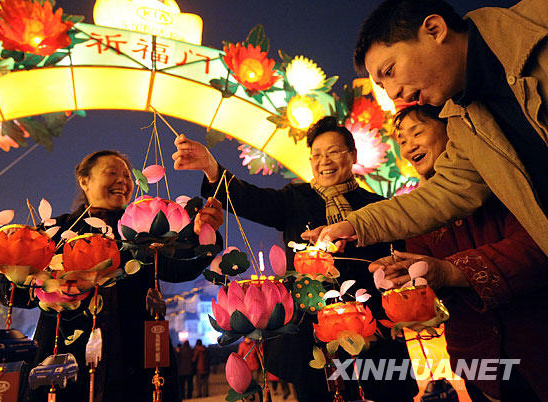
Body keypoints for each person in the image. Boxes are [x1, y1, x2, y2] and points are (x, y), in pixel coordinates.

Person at [173, 117, 419, 401]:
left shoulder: (379, 208)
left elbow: (397, 270)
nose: (323, 160)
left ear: (352, 155)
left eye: (333, 152)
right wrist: (210, 167)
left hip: (373, 336)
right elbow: (249, 198)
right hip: (311, 340)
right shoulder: (295, 199)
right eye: (316, 154)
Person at [303, 0, 548, 256]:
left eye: (390, 70)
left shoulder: (538, 26)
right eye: (382, 85)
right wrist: (356, 224)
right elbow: (445, 192)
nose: (393, 92)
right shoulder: (465, 121)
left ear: (434, 29)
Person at [0, 150, 224, 402]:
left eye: (126, 175)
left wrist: (203, 234)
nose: (122, 181)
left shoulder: (143, 233)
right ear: (84, 181)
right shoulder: (55, 233)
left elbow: (180, 269)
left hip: (135, 360)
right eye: (111, 173)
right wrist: (16, 270)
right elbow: (11, 293)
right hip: (64, 363)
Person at [368, 105, 548, 401]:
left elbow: (534, 249)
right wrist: (409, 300)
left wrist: (449, 271)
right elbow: (433, 296)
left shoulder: (501, 179)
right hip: (478, 364)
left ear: (452, 130)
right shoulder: (416, 216)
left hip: (536, 344)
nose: (409, 145)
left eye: (417, 132)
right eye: (402, 140)